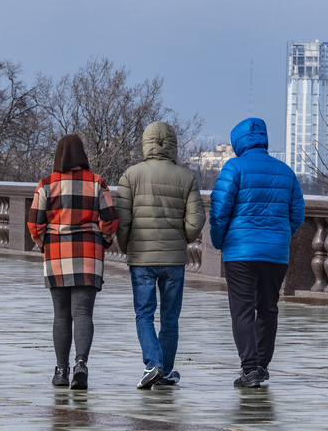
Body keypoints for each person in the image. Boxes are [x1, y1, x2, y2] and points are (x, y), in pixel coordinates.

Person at [209, 117, 305, 388]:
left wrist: (220, 241)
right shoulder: (285, 171)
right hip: (275, 254)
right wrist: (280, 236)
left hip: (240, 252)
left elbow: (219, 211)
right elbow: (297, 214)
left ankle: (249, 368)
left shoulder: (234, 168)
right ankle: (262, 366)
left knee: (242, 311)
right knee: (268, 309)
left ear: (238, 142)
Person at [114, 121, 206, 389]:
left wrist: (126, 246)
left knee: (144, 313)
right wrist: (183, 238)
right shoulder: (186, 177)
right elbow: (196, 220)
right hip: (174, 259)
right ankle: (164, 370)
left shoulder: (130, 175)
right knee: (170, 316)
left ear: (146, 143)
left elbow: (122, 220)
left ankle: (153, 363)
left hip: (141, 257)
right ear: (173, 145)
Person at [28, 134, 119, 390]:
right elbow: (110, 220)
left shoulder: (46, 185)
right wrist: (103, 240)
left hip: (56, 253)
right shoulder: (97, 183)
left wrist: (44, 243)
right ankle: (81, 363)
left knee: (61, 315)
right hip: (89, 253)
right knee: (83, 313)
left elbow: (34, 224)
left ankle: (61, 371)